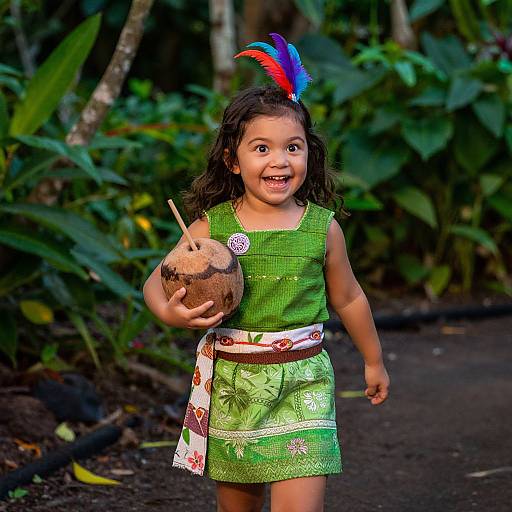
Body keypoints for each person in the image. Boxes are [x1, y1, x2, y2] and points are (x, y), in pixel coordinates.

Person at [143, 33, 389, 512]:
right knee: (239, 506)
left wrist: (374, 360)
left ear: (308, 155)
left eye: (292, 147)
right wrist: (170, 314)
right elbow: (157, 280)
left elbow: (349, 298)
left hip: (304, 383)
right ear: (234, 161)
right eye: (261, 148)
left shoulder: (323, 229)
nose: (279, 160)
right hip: (235, 386)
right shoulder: (214, 226)